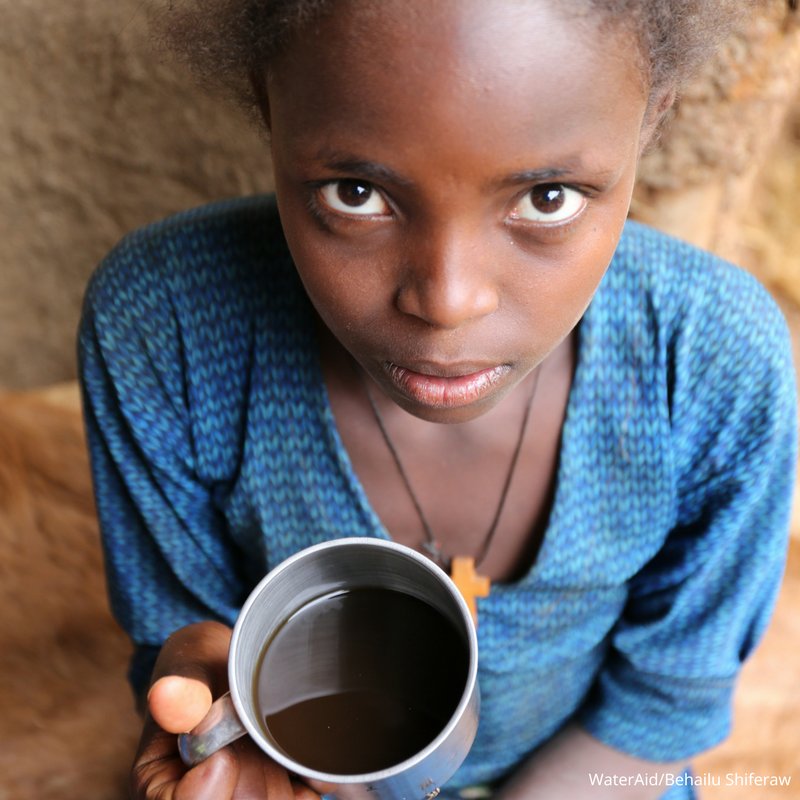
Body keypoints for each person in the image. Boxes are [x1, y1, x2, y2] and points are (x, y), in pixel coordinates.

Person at [77, 1, 797, 798]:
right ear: (269, 105)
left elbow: (663, 711)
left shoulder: (711, 362)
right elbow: (181, 636)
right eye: (355, 192)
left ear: (650, 123)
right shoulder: (165, 323)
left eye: (549, 197)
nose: (447, 301)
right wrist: (200, 695)